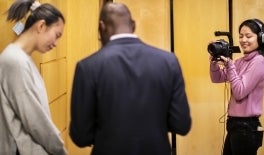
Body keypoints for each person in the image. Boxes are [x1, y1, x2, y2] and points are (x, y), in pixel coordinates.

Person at [69, 2, 191, 155]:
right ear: (133, 26)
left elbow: (80, 136)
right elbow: (182, 124)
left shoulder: (87, 67)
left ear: (101, 27)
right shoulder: (168, 62)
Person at [0, 0, 67, 155]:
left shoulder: (21, 59)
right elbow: (35, 121)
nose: (56, 43)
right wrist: (60, 151)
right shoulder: (14, 61)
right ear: (41, 26)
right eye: (57, 35)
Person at [209, 19, 264, 155]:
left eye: (248, 36)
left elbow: (239, 92)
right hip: (235, 125)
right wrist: (214, 62)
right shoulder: (241, 61)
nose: (243, 40)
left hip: (246, 128)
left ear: (261, 38)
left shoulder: (260, 62)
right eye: (240, 36)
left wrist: (230, 65)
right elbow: (217, 78)